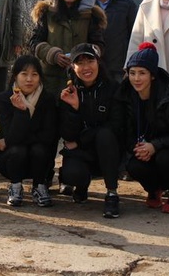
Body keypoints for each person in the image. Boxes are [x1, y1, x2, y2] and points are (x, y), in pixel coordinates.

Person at [111, 42, 169, 214]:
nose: (136, 78)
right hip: (143, 147)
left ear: (153, 75)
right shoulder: (125, 96)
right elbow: (123, 129)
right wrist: (137, 147)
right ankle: (154, 189)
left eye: (142, 73)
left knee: (164, 159)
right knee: (134, 166)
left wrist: (155, 146)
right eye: (132, 73)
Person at [59, 43, 122, 218]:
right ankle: (81, 186)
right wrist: (74, 109)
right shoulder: (67, 93)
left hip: (107, 151)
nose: (86, 67)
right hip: (81, 153)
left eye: (90, 61)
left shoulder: (113, 88)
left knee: (105, 135)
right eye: (80, 63)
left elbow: (116, 126)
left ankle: (112, 193)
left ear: (98, 62)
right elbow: (67, 135)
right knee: (72, 174)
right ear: (73, 67)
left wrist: (80, 140)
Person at [0, 55, 59, 207]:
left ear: (40, 78)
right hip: (12, 160)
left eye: (34, 74)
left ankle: (39, 186)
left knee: (39, 149)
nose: (29, 79)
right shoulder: (4, 99)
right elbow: (11, 135)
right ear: (15, 76)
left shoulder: (47, 99)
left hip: (41, 160)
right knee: (18, 150)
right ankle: (15, 186)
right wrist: (21, 111)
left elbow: (49, 136)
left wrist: (9, 140)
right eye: (24, 74)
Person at [29, 0, 106, 95]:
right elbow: (34, 42)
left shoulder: (89, 16)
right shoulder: (47, 13)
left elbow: (99, 45)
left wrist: (82, 56)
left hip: (81, 79)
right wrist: (52, 54)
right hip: (50, 80)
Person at [91, 0, 137, 83]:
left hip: (119, 70)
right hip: (91, 70)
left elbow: (135, 37)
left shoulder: (127, 5)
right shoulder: (85, 5)